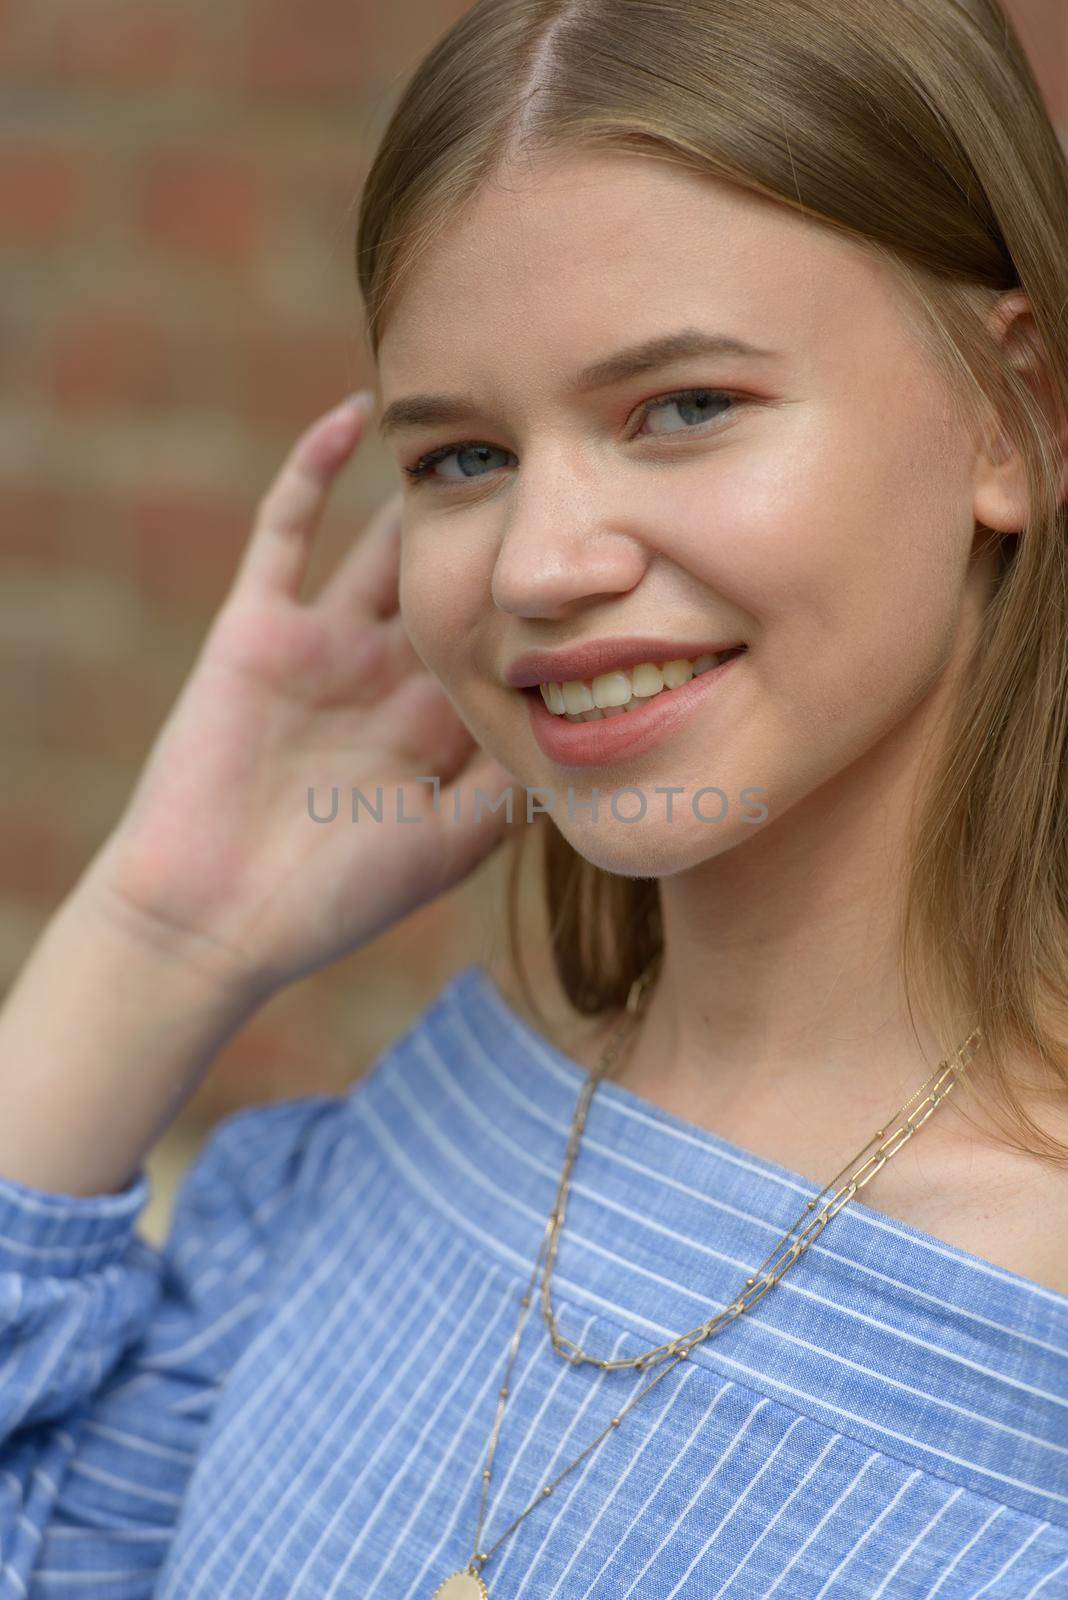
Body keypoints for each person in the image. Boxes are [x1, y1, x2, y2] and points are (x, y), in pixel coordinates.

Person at [2, 0, 1068, 1592]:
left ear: (1020, 415)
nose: (541, 565)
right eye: (461, 459)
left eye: (686, 408)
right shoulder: (391, 1159)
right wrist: (163, 934)